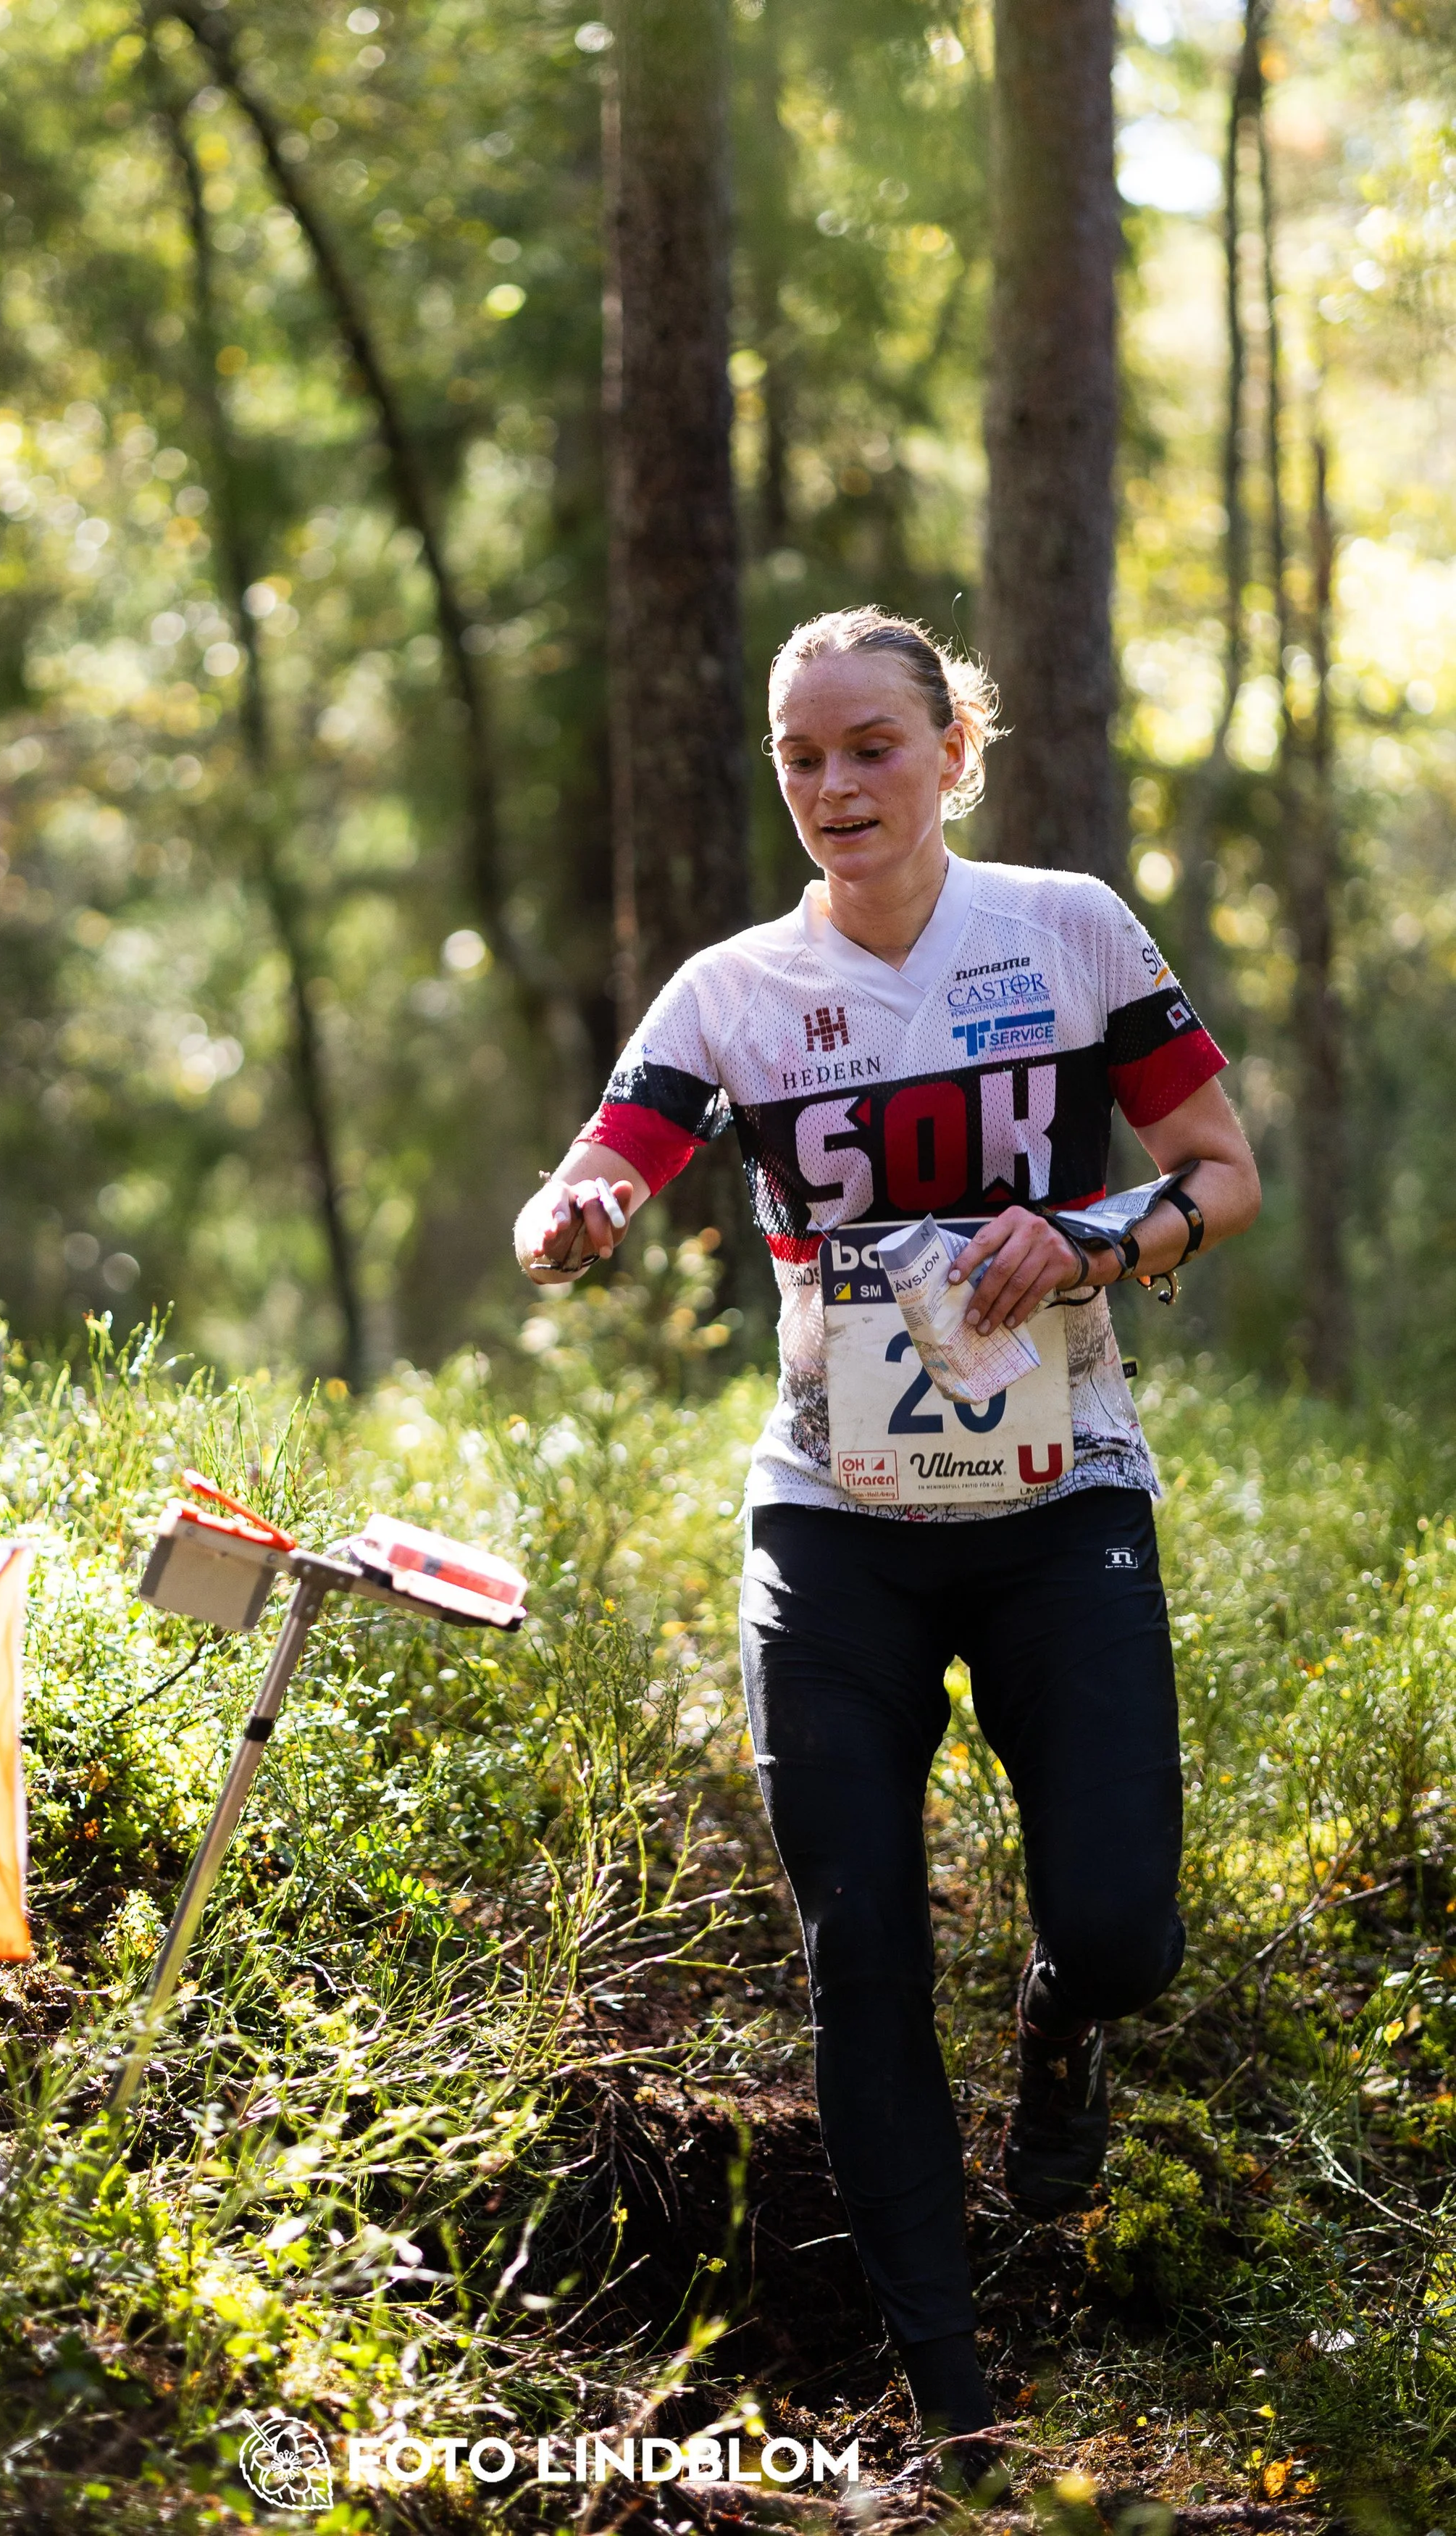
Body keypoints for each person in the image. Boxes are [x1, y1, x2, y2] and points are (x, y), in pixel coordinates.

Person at [512, 608, 1260, 2476]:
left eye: (871, 748)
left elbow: (1221, 1173)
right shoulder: (735, 991)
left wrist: (1094, 1237)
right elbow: (613, 1153)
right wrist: (574, 1211)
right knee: (861, 1938)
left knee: (1121, 1928)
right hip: (834, 1514)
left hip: (1060, 1491)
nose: (836, 787)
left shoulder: (1071, 931)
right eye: (802, 758)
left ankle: (1067, 2032)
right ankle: (950, 2385)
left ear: (953, 752)